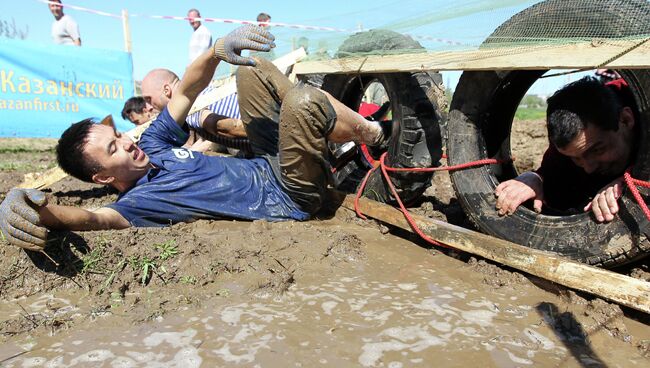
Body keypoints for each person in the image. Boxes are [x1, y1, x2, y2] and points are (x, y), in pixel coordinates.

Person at [0, 25, 388, 251]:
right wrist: (29, 209)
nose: (128, 142)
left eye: (119, 134)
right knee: (303, 101)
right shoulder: (139, 204)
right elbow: (91, 218)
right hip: (290, 195)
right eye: (113, 148)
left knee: (251, 70)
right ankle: (374, 133)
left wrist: (217, 50)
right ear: (102, 178)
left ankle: (324, 127)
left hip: (270, 162)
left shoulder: (151, 144)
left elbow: (185, 91)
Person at [495, 76, 638, 223]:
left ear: (626, 120)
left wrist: (634, 178)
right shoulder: (568, 150)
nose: (588, 168)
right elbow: (555, 175)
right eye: (576, 158)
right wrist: (536, 179)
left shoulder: (636, 102)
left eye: (598, 150)